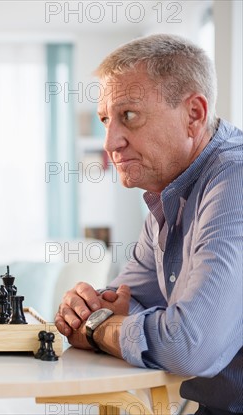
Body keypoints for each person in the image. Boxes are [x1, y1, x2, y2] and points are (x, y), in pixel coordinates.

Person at [55, 34, 242, 415]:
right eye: (106, 120)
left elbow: (188, 345)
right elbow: (125, 299)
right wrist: (90, 309)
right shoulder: (168, 193)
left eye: (129, 116)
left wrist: (95, 328)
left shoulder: (234, 181)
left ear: (193, 114)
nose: (110, 142)